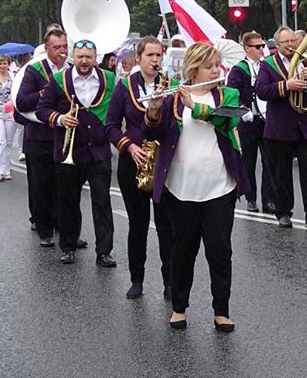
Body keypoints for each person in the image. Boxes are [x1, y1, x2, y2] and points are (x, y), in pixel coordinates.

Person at [144, 42, 249, 332]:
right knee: (183, 250)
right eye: (210, 66)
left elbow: (227, 121)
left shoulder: (227, 93)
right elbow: (154, 132)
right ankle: (179, 307)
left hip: (219, 186)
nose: (216, 70)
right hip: (182, 187)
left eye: (217, 64)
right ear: (194, 69)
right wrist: (153, 110)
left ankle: (221, 311)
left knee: (219, 250)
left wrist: (197, 106)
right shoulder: (174, 97)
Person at [36, 38, 117, 267]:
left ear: (95, 58)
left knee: (102, 201)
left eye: (88, 57)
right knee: (68, 201)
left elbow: (114, 108)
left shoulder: (109, 78)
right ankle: (68, 247)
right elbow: (42, 109)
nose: (84, 61)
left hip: (99, 151)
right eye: (80, 56)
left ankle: (104, 252)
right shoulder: (58, 79)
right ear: (74, 56)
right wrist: (60, 119)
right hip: (68, 151)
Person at [105, 36, 175, 298]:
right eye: (150, 56)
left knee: (166, 224)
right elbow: (110, 125)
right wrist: (129, 146)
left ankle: (169, 280)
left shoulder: (169, 84)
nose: (155, 60)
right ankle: (137, 279)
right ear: (139, 58)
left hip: (163, 161)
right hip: (133, 161)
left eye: (159, 55)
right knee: (138, 224)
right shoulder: (124, 87)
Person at [256, 26, 307, 228]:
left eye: (293, 41)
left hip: (305, 125)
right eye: (286, 42)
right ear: (277, 45)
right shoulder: (268, 65)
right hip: (280, 127)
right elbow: (261, 91)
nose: (291, 45)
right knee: (281, 172)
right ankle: (283, 211)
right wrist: (287, 85)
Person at [14, 27, 69, 245]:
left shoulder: (71, 69)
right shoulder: (34, 70)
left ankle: (66, 230)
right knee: (41, 185)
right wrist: (43, 93)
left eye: (65, 46)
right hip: (39, 137)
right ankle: (44, 231)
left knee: (65, 187)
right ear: (47, 49)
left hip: (63, 134)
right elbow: (21, 102)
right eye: (57, 47)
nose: (62, 51)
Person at [226, 31, 275, 213]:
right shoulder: (239, 69)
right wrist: (242, 108)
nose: (262, 49)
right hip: (248, 121)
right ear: (247, 48)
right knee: (249, 161)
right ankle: (251, 198)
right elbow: (232, 91)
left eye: (262, 46)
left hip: (266, 119)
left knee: (269, 161)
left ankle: (268, 199)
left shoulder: (266, 66)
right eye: (257, 46)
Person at [0, 55, 15, 181]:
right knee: (1, 141)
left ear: (8, 64)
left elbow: (17, 92)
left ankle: (7, 169)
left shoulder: (14, 77)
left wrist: (10, 104)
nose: (2, 66)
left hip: (10, 113)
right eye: (0, 64)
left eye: (4, 63)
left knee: (9, 142)